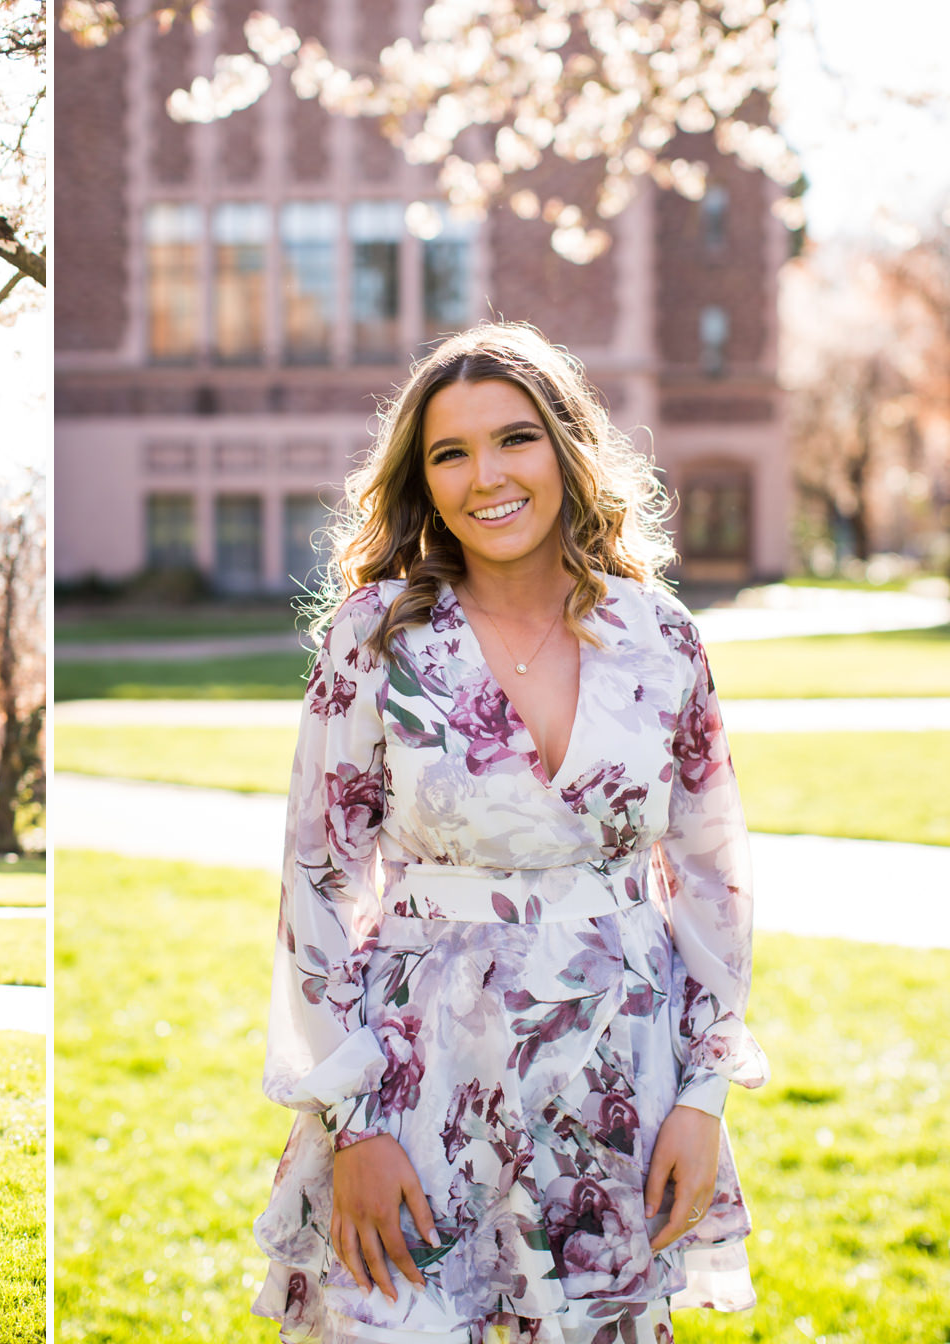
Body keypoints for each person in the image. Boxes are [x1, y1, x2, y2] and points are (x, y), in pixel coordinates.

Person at [252, 323, 768, 1344]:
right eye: (450, 452)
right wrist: (352, 1125)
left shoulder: (661, 637)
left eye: (515, 439)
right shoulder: (379, 635)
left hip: (620, 1079)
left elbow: (711, 878)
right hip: (415, 1085)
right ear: (423, 479)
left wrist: (704, 1094)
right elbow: (317, 878)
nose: (485, 475)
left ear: (568, 452)